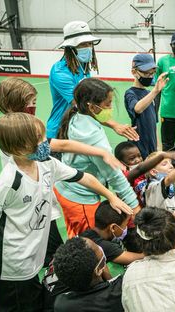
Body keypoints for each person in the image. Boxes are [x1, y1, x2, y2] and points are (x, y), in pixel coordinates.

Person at [0, 113, 132, 311]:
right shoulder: (9, 181)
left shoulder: (46, 163)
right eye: (40, 139)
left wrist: (111, 196)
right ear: (20, 146)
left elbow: (83, 177)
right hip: (10, 262)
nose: (45, 142)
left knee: (35, 303)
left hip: (32, 255)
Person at [0, 77, 124, 266]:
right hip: (28, 199)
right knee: (49, 249)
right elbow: (57, 145)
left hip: (41, 195)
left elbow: (60, 148)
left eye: (34, 103)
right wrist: (100, 152)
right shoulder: (16, 131)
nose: (33, 107)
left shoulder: (27, 131)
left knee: (48, 241)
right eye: (31, 103)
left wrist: (101, 151)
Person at [56, 78, 140, 237]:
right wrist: (135, 207)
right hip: (80, 198)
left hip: (65, 189)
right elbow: (114, 175)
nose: (110, 109)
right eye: (107, 104)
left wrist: (114, 125)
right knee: (90, 243)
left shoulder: (77, 114)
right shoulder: (92, 136)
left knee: (75, 235)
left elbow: (99, 117)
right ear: (92, 107)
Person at [47, 20, 138, 141]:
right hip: (60, 132)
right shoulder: (60, 72)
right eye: (83, 44)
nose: (88, 48)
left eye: (89, 44)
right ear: (70, 48)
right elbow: (82, 105)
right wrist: (114, 125)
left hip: (78, 129)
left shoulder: (83, 67)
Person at [53, 237, 124, 312]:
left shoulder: (61, 304)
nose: (100, 248)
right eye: (97, 248)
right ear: (98, 270)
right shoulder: (120, 290)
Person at [125, 54, 169, 158]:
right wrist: (155, 91)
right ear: (134, 72)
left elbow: (154, 123)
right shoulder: (130, 93)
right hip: (138, 148)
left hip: (152, 146)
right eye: (146, 73)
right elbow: (137, 108)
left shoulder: (150, 93)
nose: (150, 76)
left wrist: (159, 148)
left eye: (152, 73)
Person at [114, 141, 175, 207]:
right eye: (132, 158)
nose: (138, 160)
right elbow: (139, 169)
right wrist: (162, 156)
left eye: (139, 156)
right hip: (133, 213)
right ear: (121, 163)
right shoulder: (122, 177)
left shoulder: (146, 172)